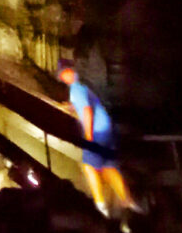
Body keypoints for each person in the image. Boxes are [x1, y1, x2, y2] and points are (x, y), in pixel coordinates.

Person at [57, 58, 138, 221]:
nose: (66, 77)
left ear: (67, 74)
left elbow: (86, 111)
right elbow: (84, 105)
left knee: (88, 166)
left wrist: (88, 137)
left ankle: (100, 206)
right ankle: (127, 200)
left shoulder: (75, 90)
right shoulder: (83, 87)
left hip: (97, 132)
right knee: (109, 167)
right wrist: (69, 106)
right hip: (107, 128)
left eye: (66, 73)